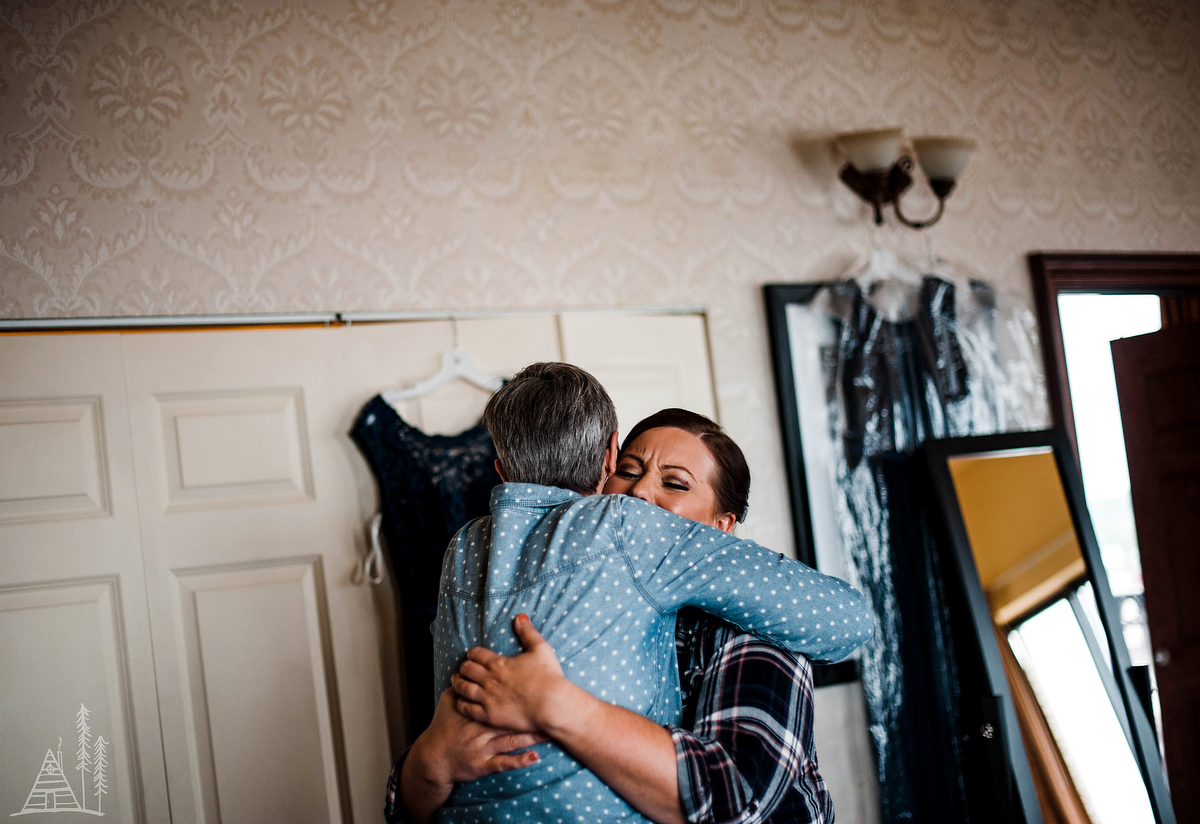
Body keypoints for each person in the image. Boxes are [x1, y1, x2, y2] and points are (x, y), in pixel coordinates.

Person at [397, 364, 871, 823]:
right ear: (606, 466)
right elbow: (407, 806)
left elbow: (735, 804)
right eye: (628, 470)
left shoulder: (756, 629)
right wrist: (432, 759)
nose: (638, 495)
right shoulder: (556, 584)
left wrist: (556, 705)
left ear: (722, 529)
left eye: (674, 483)